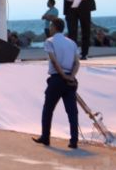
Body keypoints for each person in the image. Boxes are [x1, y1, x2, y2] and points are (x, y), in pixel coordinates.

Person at [32, 18, 81, 149]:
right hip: (70, 80)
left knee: (48, 109)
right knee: (72, 111)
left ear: (54, 27)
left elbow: (54, 61)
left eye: (50, 26)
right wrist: (71, 76)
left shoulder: (49, 41)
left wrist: (63, 75)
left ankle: (45, 137)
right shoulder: (72, 43)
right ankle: (74, 140)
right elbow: (77, 63)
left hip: (57, 79)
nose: (50, 28)